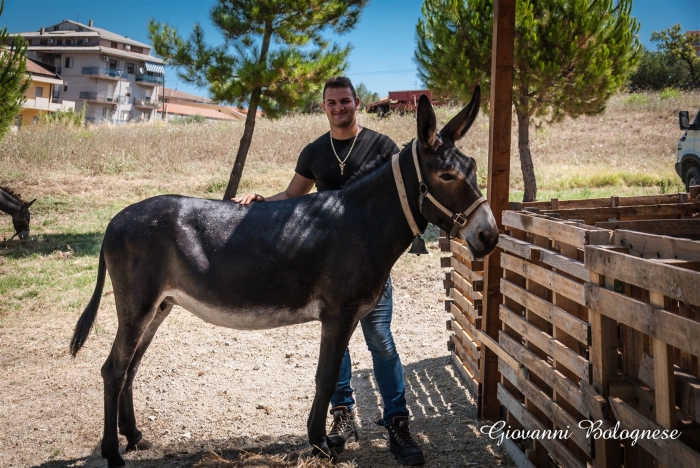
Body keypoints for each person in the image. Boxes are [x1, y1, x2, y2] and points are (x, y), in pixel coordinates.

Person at [232, 76, 425, 466]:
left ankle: (397, 422)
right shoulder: (315, 152)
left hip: (371, 270)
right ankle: (342, 417)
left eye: (345, 101)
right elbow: (292, 195)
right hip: (328, 270)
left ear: (358, 103)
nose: (339, 108)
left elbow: (403, 200)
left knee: (382, 343)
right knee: (336, 347)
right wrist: (259, 201)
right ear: (324, 107)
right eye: (332, 103)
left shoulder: (382, 147)